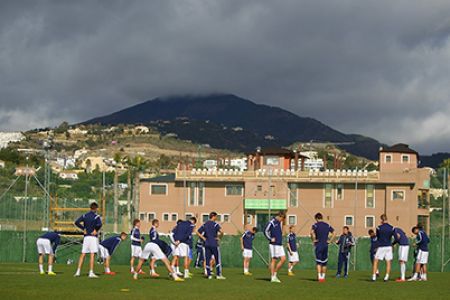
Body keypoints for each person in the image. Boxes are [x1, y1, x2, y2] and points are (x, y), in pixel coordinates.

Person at [74, 202, 102, 278]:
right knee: (92, 254)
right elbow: (99, 224)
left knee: (83, 254)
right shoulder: (97, 216)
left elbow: (76, 222)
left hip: (86, 237)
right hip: (93, 237)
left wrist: (83, 229)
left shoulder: (85, 215)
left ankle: (78, 272)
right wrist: (96, 230)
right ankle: (91, 272)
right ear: (96, 209)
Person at [197, 212, 226, 280]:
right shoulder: (215, 224)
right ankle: (218, 275)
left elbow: (198, 232)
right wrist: (219, 237)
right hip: (214, 244)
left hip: (206, 244)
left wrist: (203, 238)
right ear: (214, 216)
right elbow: (222, 232)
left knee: (207, 259)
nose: (216, 218)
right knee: (217, 259)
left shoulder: (205, 224)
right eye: (216, 217)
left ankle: (209, 275)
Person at [311, 212, 335, 282]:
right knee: (324, 262)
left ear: (316, 218)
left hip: (318, 245)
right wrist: (330, 241)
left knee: (318, 262)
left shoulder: (315, 225)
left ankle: (319, 277)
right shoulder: (327, 225)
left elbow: (311, 232)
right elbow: (334, 233)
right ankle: (323, 277)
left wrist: (314, 240)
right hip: (325, 245)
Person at [264, 211, 286, 283]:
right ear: (280, 216)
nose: (282, 220)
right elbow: (265, 231)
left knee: (283, 259)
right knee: (274, 259)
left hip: (279, 243)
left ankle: (275, 274)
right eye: (282, 219)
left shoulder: (279, 222)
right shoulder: (272, 222)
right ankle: (272, 277)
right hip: (274, 244)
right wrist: (270, 238)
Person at [372, 214, 394, 282]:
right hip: (389, 246)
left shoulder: (378, 228)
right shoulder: (392, 227)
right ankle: (386, 277)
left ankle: (374, 277)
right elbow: (394, 236)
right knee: (388, 262)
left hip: (381, 246)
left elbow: (378, 237)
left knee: (376, 261)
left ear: (381, 219)